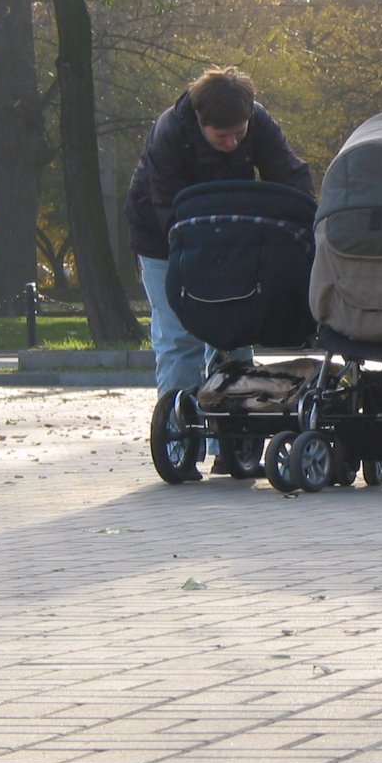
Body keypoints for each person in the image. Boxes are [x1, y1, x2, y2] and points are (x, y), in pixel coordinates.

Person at [125, 66, 313, 470]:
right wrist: (190, 255)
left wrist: (305, 224)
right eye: (220, 136)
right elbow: (164, 204)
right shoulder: (170, 133)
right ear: (200, 121)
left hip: (232, 234)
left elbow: (287, 174)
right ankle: (181, 441)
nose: (231, 143)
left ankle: (236, 440)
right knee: (179, 337)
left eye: (238, 135)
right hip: (164, 238)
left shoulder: (258, 122)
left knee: (235, 325)